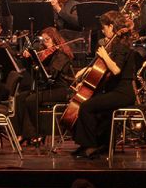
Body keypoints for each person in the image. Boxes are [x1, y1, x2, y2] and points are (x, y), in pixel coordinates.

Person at [71, 11, 138, 159]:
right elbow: (102, 69)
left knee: (87, 107)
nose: (103, 31)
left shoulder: (122, 46)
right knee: (92, 105)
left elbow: (116, 69)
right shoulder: (114, 45)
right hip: (113, 91)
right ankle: (99, 144)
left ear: (112, 26)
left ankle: (91, 145)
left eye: (104, 27)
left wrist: (105, 55)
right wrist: (86, 71)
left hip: (123, 93)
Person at [9, 26, 76, 145]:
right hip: (48, 88)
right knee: (20, 98)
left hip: (61, 89)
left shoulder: (61, 55)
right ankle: (21, 133)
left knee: (31, 100)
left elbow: (51, 74)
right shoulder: (46, 54)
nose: (45, 43)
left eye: (47, 40)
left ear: (55, 40)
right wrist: (28, 60)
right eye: (43, 40)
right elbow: (34, 73)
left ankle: (37, 133)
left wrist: (38, 62)